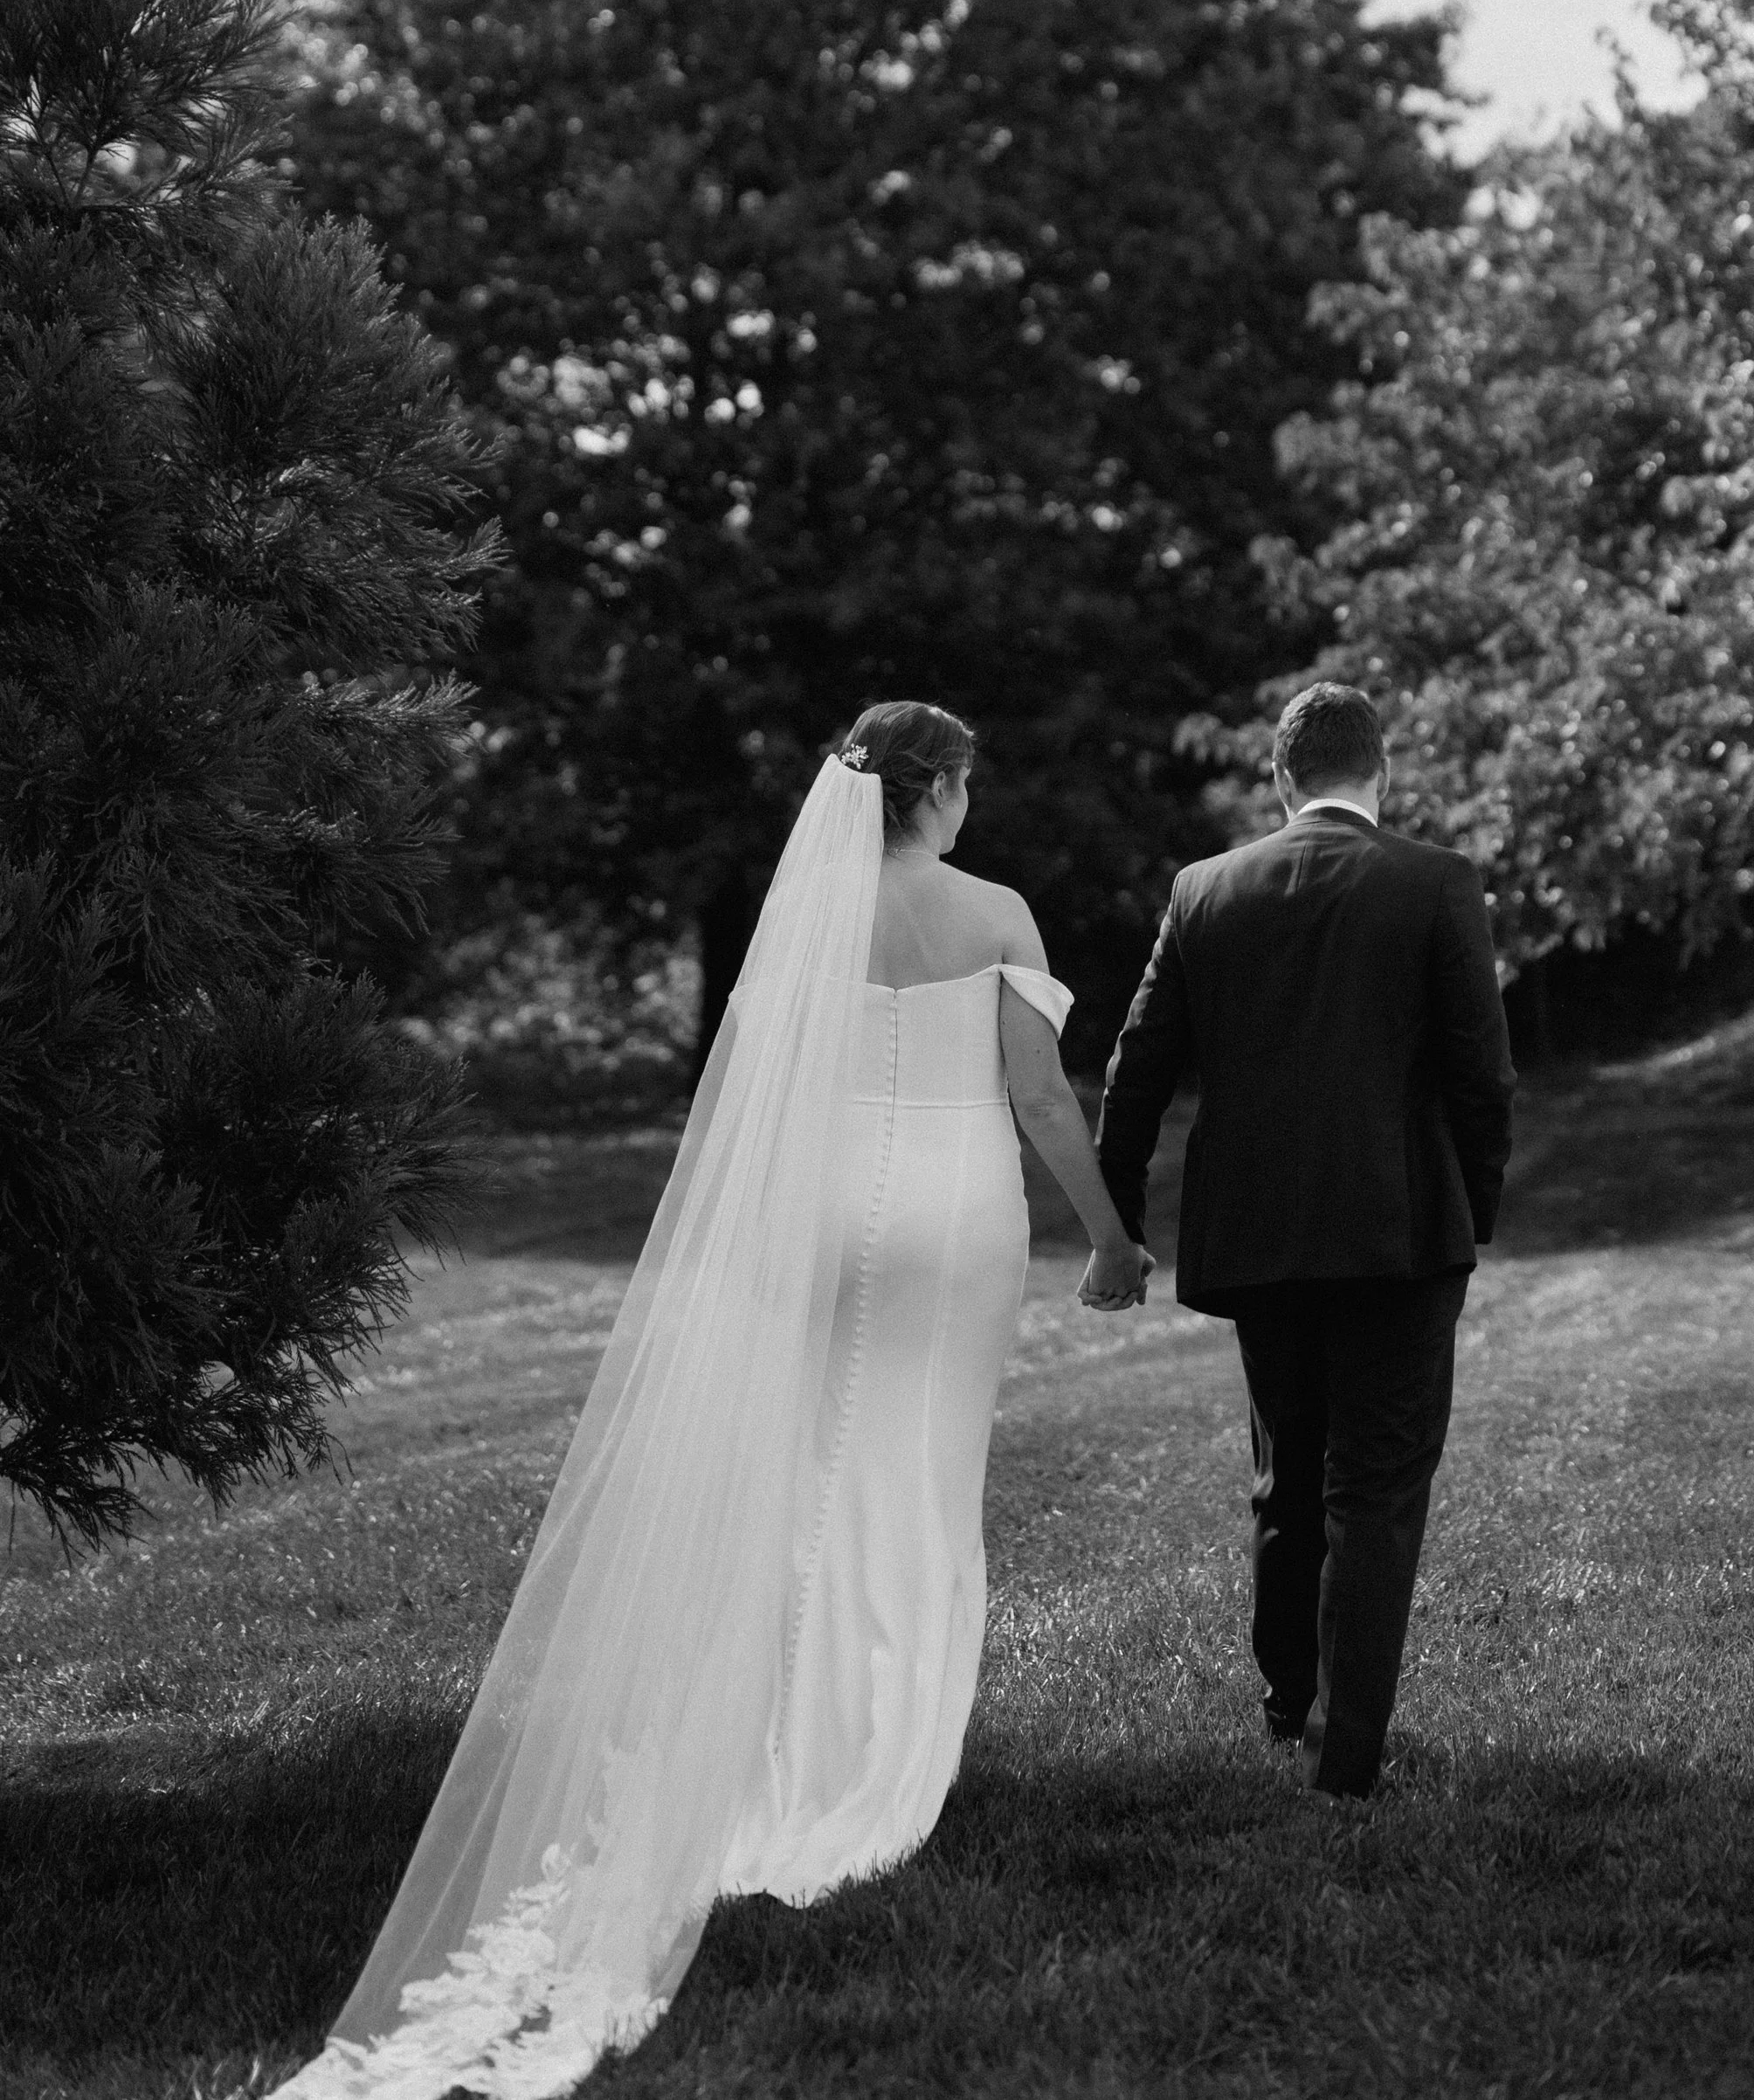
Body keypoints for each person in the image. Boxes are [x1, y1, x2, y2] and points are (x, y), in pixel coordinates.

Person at [276, 700, 1151, 2100]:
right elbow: (1041, 1096)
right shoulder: (997, 910)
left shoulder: (806, 914)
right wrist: (1109, 1234)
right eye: (970, 778)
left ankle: (759, 1749)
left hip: (817, 1216)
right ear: (946, 791)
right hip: (956, 1211)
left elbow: (759, 1094)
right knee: (917, 1478)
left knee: (806, 1473)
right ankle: (865, 1766)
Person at [1093, 680, 1516, 1800]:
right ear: (1381, 773)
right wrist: (1474, 1208)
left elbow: (1138, 1067)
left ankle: (1290, 1702)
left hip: (1261, 1235)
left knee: (1287, 1475)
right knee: (1374, 1486)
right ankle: (1349, 1756)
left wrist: (1118, 1219)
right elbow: (1483, 1071)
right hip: (1400, 1233)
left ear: (1280, 778)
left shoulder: (1204, 891)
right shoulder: (1436, 883)